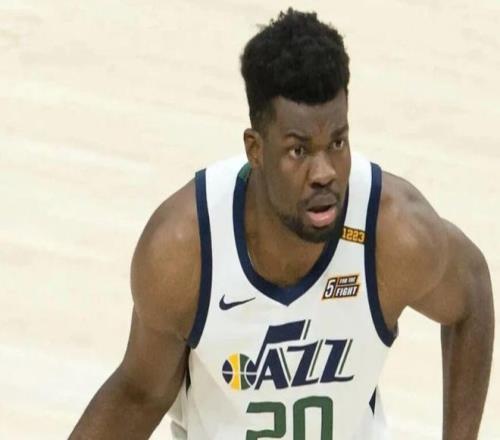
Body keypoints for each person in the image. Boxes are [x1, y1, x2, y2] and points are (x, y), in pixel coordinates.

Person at [70, 8, 494, 439]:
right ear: (255, 149)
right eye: (299, 150)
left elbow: (472, 291)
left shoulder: (393, 231)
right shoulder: (185, 249)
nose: (324, 172)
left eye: (338, 142)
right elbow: (140, 394)